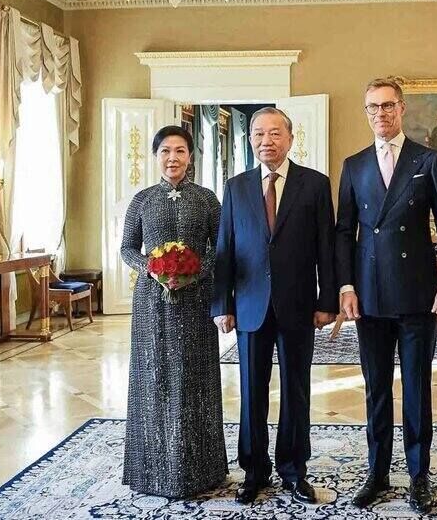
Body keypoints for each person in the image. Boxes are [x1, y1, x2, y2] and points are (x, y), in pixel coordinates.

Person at [336, 78, 437, 515]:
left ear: (402, 109)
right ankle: (377, 471)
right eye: (372, 107)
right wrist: (346, 286)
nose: (380, 114)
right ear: (366, 112)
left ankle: (418, 474)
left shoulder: (428, 159)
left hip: (417, 292)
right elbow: (343, 232)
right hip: (368, 295)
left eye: (387, 106)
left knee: (416, 387)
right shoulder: (353, 166)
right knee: (375, 389)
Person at [212, 108, 339, 506]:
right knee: (251, 392)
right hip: (249, 306)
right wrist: (222, 304)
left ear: (290, 137)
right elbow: (225, 250)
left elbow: (326, 249)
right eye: (258, 133)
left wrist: (327, 301)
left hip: (299, 305)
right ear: (250, 139)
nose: (266, 140)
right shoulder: (235, 188)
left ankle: (294, 470)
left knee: (297, 392)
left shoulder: (315, 185)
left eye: (274, 133)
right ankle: (254, 471)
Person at [120, 125, 228, 498]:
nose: (172, 158)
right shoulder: (143, 200)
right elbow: (127, 248)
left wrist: (195, 270)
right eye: (165, 151)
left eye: (179, 151)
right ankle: (151, 469)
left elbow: (220, 246)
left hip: (197, 303)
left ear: (190, 157)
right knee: (154, 380)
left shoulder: (208, 199)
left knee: (194, 380)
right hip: (152, 302)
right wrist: (154, 268)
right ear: (156, 156)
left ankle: (202, 469)